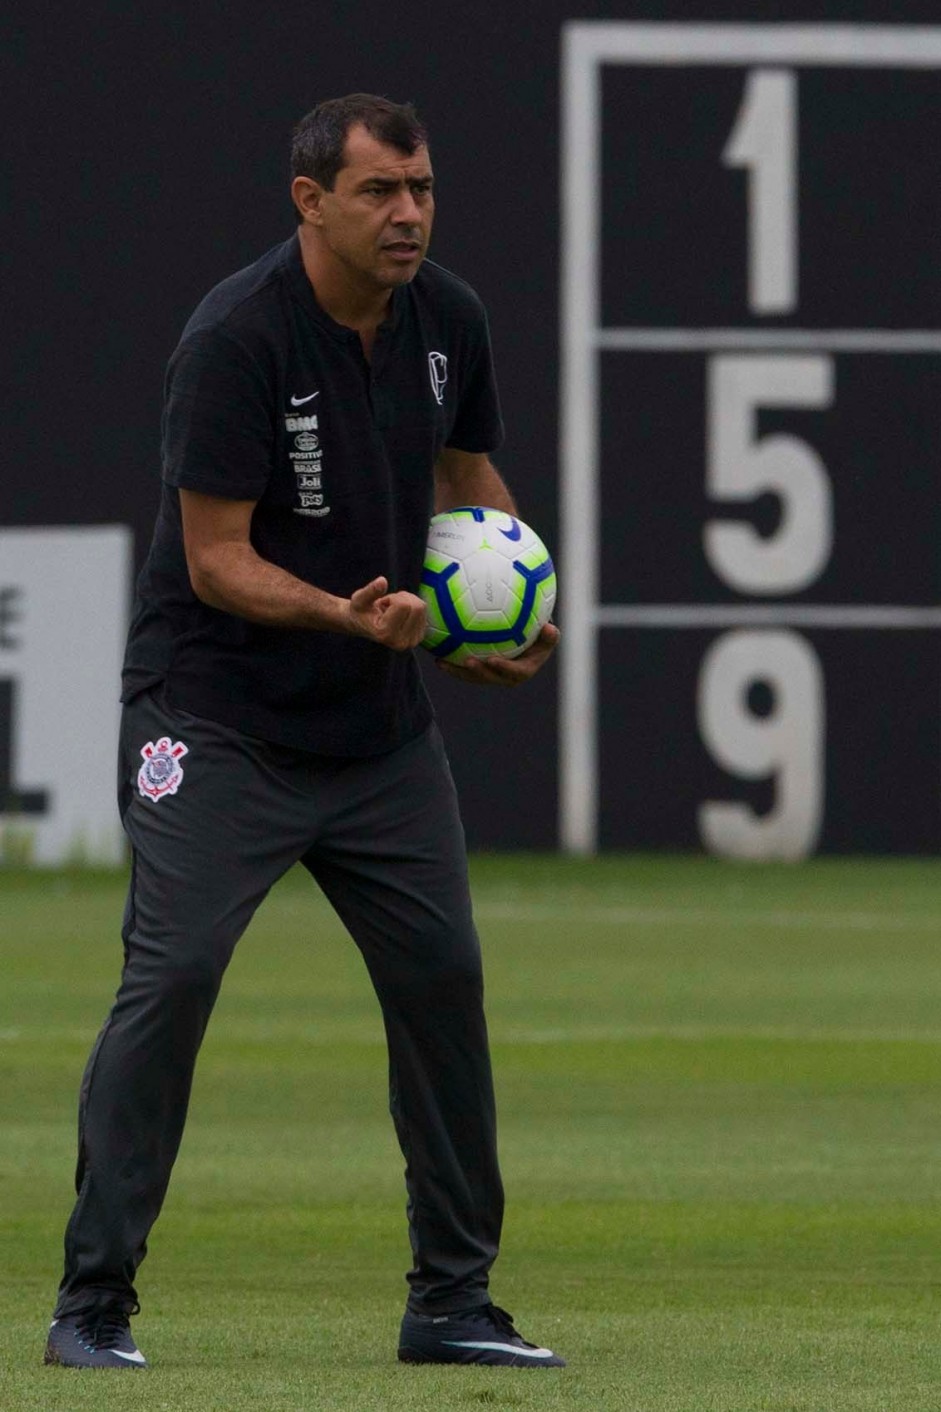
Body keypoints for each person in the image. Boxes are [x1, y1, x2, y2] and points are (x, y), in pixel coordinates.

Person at [44, 94, 563, 1372]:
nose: (408, 215)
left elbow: (465, 476)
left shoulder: (449, 319)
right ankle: (92, 1303)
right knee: (169, 983)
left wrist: (511, 595)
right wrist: (348, 610)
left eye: (423, 189)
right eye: (381, 191)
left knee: (441, 983)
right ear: (309, 199)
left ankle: (451, 1301)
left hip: (376, 735)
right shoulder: (234, 337)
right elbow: (216, 561)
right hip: (213, 720)